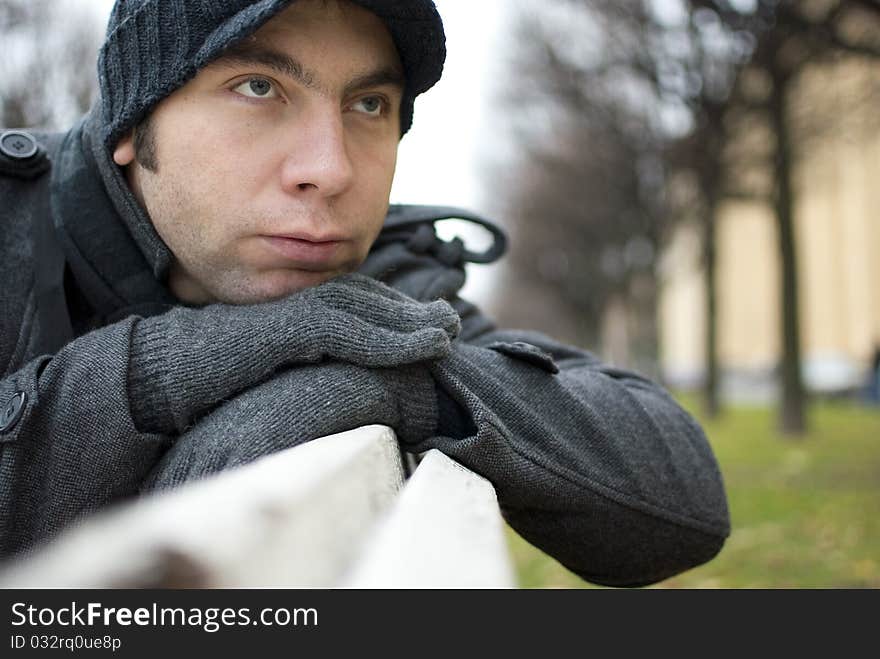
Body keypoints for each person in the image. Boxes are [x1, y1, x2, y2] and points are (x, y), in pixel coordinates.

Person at [0, 0, 730, 588]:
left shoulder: (375, 280)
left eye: (370, 104)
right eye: (258, 87)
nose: (331, 168)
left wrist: (403, 385)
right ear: (133, 121)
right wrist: (165, 371)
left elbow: (683, 496)